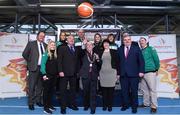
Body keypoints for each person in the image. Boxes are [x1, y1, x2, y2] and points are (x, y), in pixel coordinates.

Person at [118, 35, 145, 114]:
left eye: (128, 39)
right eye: (125, 40)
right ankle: (125, 105)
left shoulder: (136, 49)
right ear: (123, 41)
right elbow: (118, 62)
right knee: (124, 91)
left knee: (134, 91)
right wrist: (118, 73)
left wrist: (141, 71)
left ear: (131, 40)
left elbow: (141, 61)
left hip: (134, 74)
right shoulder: (119, 49)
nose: (127, 41)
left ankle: (134, 107)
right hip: (123, 75)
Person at [22, 31, 47, 110]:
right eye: (40, 35)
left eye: (43, 36)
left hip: (42, 69)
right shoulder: (31, 44)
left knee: (40, 86)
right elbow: (24, 54)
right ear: (37, 36)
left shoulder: (46, 45)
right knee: (32, 86)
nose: (42, 37)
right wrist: (30, 62)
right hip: (33, 68)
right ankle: (31, 103)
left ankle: (38, 100)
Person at [57, 35, 80, 114]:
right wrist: (60, 71)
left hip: (73, 73)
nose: (72, 40)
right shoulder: (62, 48)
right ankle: (63, 107)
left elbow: (77, 62)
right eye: (70, 38)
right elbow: (59, 60)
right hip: (64, 73)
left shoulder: (76, 49)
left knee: (73, 90)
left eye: (73, 39)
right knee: (63, 91)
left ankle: (72, 104)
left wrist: (77, 71)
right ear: (66, 40)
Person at [139, 37, 160, 114]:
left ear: (146, 41)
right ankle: (146, 103)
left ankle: (154, 106)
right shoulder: (140, 51)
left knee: (152, 90)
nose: (141, 42)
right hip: (142, 73)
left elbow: (156, 59)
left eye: (142, 41)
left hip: (150, 72)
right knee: (144, 90)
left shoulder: (151, 49)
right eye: (140, 41)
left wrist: (157, 69)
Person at [99, 39, 120, 112]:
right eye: (104, 43)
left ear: (109, 44)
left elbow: (118, 63)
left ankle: (110, 106)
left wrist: (118, 74)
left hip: (112, 73)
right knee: (104, 92)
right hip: (102, 74)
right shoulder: (100, 52)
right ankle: (105, 105)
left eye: (107, 43)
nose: (106, 44)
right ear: (103, 45)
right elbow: (98, 63)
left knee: (111, 92)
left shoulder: (114, 52)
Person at [79, 41, 100, 114]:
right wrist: (83, 44)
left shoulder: (95, 54)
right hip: (85, 75)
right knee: (86, 92)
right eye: (87, 45)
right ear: (86, 46)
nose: (89, 46)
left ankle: (92, 108)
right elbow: (80, 51)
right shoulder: (83, 53)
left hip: (94, 75)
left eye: (90, 45)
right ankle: (86, 105)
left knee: (93, 93)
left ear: (93, 46)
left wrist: (98, 59)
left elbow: (99, 64)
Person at [40, 41, 58, 114]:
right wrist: (44, 74)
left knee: (51, 92)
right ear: (49, 46)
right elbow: (42, 64)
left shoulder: (56, 54)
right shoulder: (46, 54)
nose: (53, 46)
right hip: (47, 76)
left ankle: (50, 105)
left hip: (54, 76)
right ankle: (45, 107)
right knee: (46, 92)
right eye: (51, 45)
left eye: (54, 45)